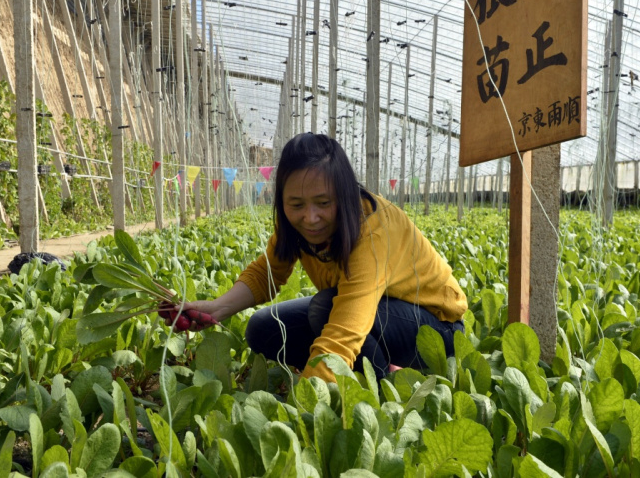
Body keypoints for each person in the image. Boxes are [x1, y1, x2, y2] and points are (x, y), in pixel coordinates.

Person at [179, 133, 467, 382]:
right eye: (296, 204)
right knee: (262, 329)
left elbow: (345, 331)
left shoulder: (373, 231)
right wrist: (216, 309)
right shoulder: (293, 224)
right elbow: (267, 274)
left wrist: (308, 397)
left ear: (343, 195)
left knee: (325, 309)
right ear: (282, 201)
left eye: (323, 203)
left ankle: (376, 386)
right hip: (377, 314)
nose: (310, 217)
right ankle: (361, 370)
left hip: (438, 327)